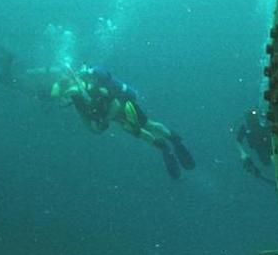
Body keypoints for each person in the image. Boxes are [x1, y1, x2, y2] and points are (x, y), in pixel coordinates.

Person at [51, 65, 196, 179]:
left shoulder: (91, 87)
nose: (65, 96)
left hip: (123, 105)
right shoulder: (78, 101)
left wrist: (104, 121)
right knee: (134, 130)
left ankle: (174, 139)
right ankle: (163, 147)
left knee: (146, 124)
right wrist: (95, 129)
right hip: (114, 116)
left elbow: (114, 104)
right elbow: (84, 117)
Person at [235, 108, 274, 186]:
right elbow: (238, 141)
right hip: (259, 148)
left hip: (269, 143)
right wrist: (243, 153)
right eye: (250, 116)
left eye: (254, 115)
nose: (253, 118)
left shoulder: (263, 121)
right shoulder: (245, 127)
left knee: (272, 158)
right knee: (266, 162)